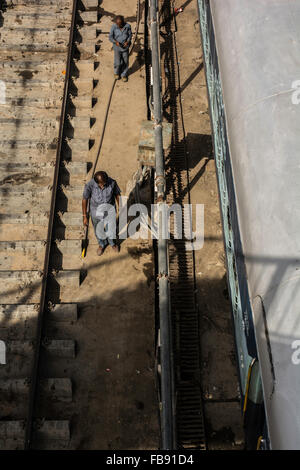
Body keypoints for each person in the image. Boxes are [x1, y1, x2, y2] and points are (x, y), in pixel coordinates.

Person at [82, 171, 121, 256]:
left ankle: (112, 243)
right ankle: (102, 244)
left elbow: (117, 194)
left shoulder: (112, 182)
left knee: (110, 228)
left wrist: (120, 207)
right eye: (101, 184)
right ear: (96, 182)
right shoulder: (90, 185)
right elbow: (85, 199)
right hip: (96, 211)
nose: (103, 185)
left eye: (105, 183)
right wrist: (85, 216)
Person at [109, 15, 132, 82]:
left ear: (123, 22)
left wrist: (128, 41)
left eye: (120, 24)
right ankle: (116, 73)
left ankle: (124, 74)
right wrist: (115, 42)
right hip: (117, 48)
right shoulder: (113, 27)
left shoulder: (128, 26)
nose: (119, 26)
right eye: (117, 24)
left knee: (125, 61)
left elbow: (130, 35)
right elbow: (110, 37)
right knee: (118, 62)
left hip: (125, 48)